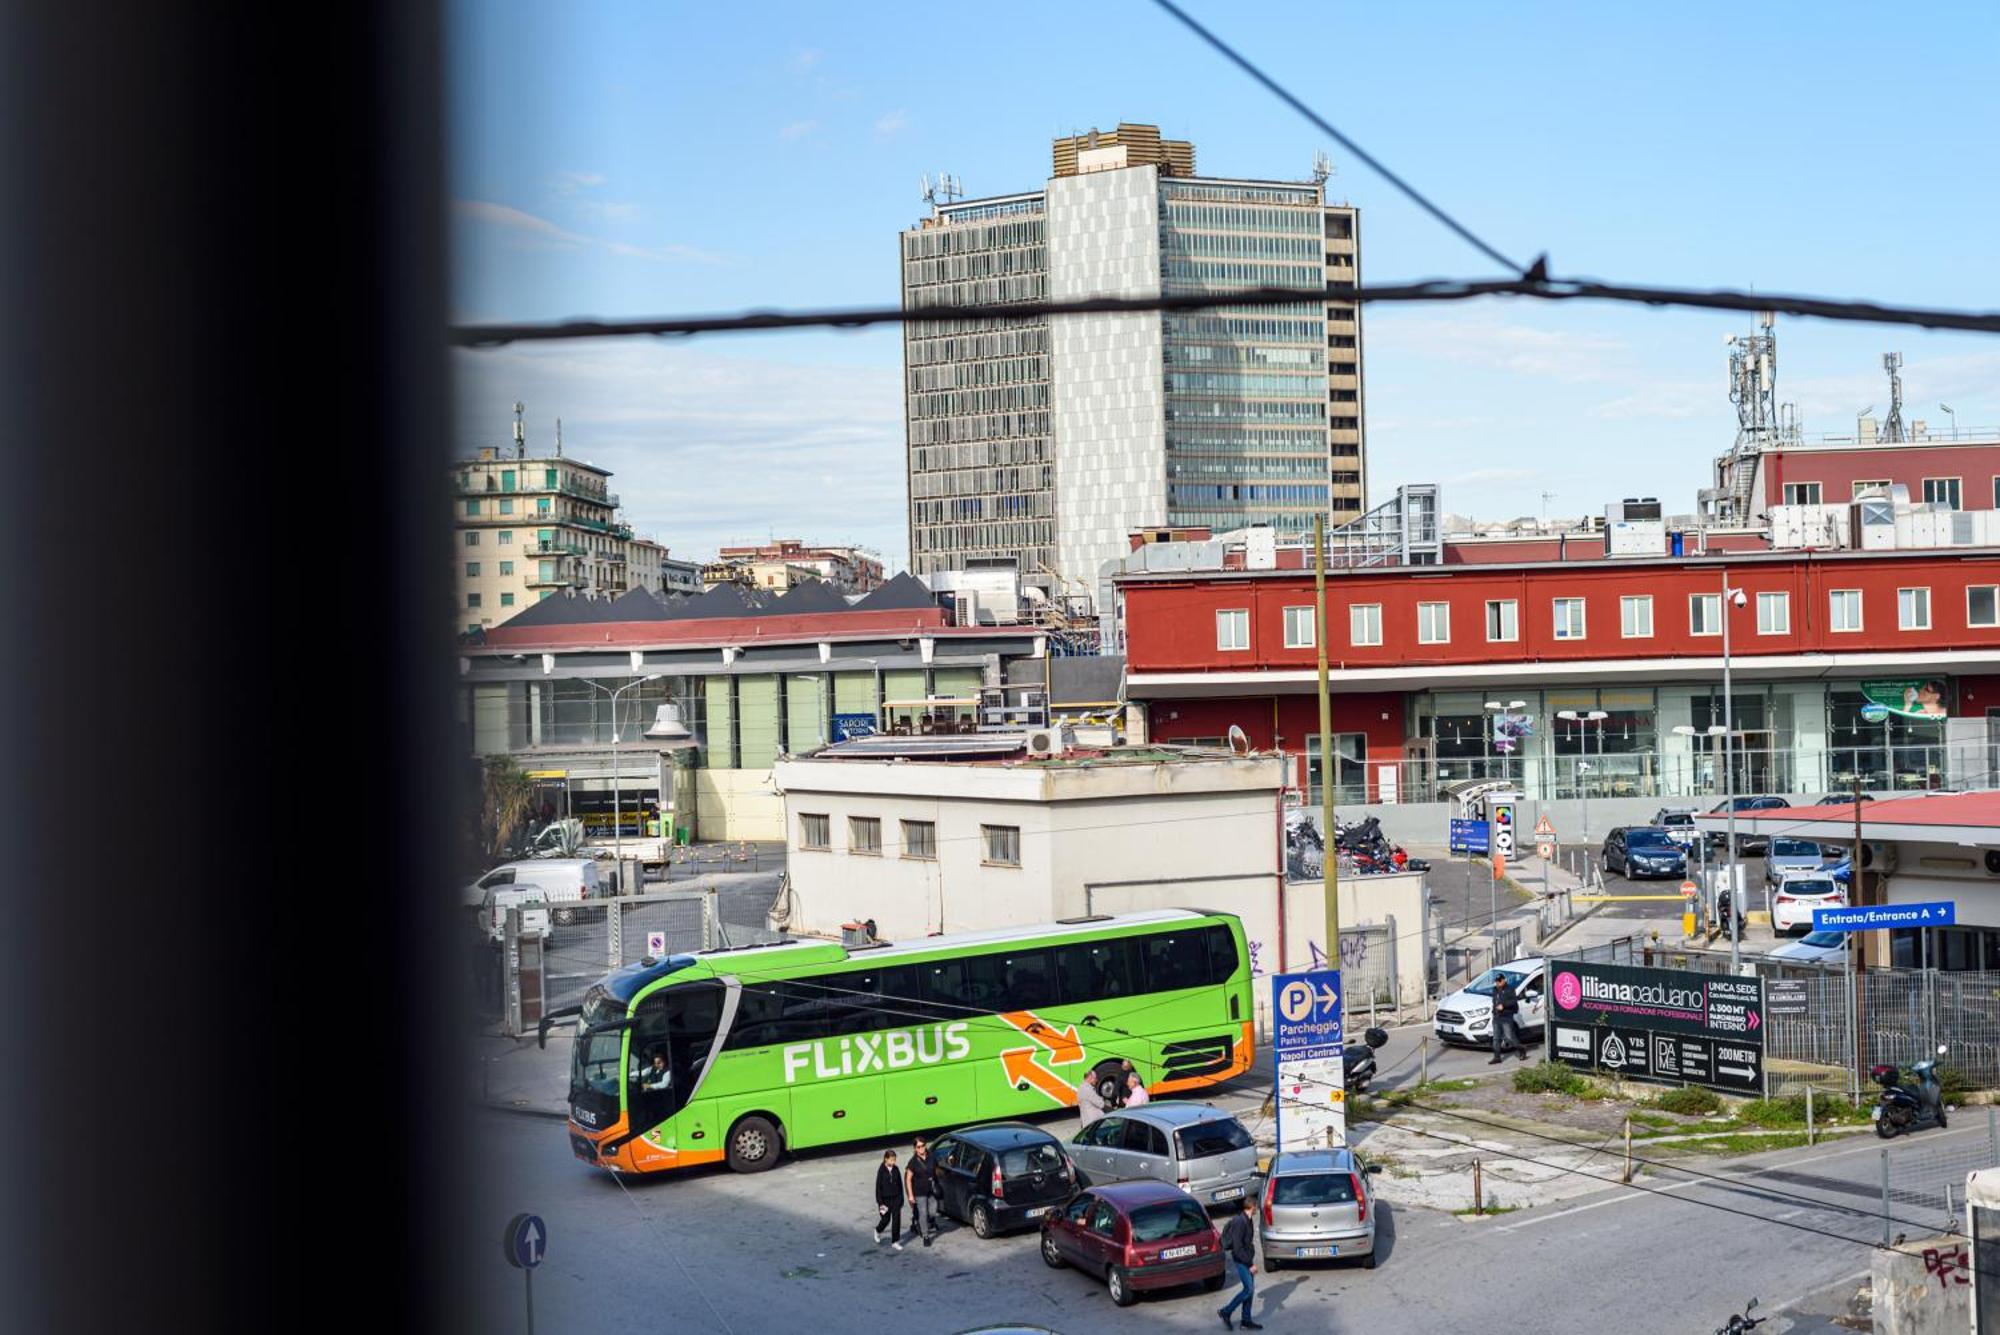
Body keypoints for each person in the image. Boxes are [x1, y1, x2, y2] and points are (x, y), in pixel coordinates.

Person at [1217, 1195, 1262, 1330]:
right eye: (1256, 1207)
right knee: (1248, 1289)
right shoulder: (1240, 1222)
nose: (1257, 1209)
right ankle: (1226, 1311)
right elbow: (1238, 1247)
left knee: (1250, 1290)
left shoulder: (1249, 1220)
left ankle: (1246, 1320)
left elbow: (1247, 1242)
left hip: (1247, 1258)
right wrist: (1250, 1264)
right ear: (1252, 1207)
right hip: (1241, 1260)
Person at [905, 1136, 943, 1246]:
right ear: (915, 1149)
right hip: (919, 1192)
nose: (921, 1148)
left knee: (933, 1210)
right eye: (918, 1147)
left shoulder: (931, 1157)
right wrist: (911, 1196)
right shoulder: (913, 1162)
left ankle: (925, 1221)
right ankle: (926, 1236)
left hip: (931, 1190)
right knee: (923, 1213)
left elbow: (936, 1170)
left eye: (923, 1146)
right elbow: (908, 1179)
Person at [1489, 972, 1526, 1063]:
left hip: (1506, 1016)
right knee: (1496, 1038)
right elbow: (1495, 1001)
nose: (1497, 983)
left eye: (1499, 981)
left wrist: (1504, 1005)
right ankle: (1497, 1057)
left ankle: (1521, 1048)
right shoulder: (1495, 989)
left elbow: (1514, 1001)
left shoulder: (1510, 989)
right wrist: (1494, 1010)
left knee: (1509, 1037)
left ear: (1504, 980)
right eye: (1496, 981)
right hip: (1497, 1016)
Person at [873, 1149, 904, 1249]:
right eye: (891, 1160)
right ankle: (878, 1230)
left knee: (896, 1220)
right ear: (886, 1159)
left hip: (896, 1198)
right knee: (886, 1219)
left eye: (894, 1160)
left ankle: (895, 1241)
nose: (893, 1162)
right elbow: (878, 1187)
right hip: (885, 1200)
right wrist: (880, 1203)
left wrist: (901, 1199)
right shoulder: (881, 1170)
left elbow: (900, 1185)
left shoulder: (896, 1169)